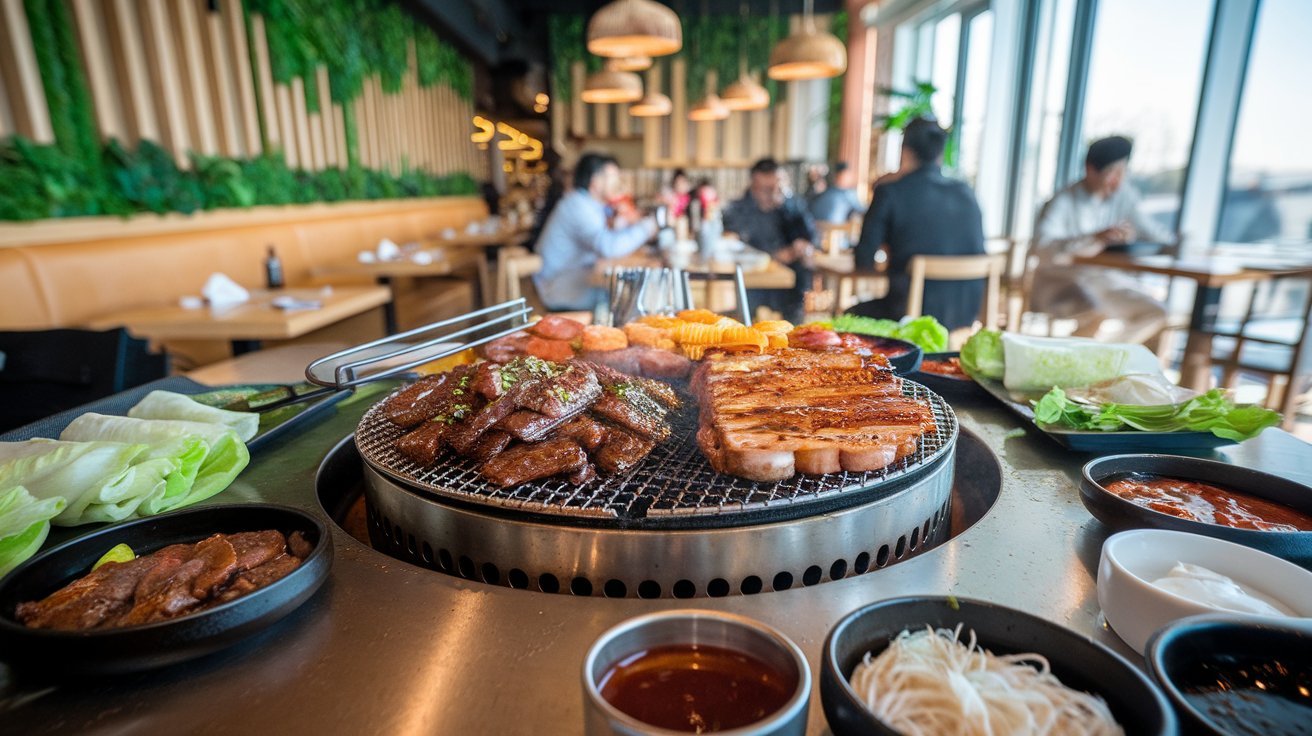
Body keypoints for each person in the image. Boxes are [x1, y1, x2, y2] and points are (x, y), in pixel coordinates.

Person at [1032, 135, 1172, 344]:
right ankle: (1084, 358)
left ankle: (1104, 359)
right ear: (1090, 170)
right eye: (1112, 173)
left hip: (1104, 279)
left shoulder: (1124, 196)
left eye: (1122, 172)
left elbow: (1155, 233)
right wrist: (1093, 238)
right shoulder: (1063, 201)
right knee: (1098, 311)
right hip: (1063, 280)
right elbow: (1041, 248)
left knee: (1157, 312)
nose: (1118, 180)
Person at [850, 118, 986, 330]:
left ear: (905, 152)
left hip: (909, 317)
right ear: (940, 154)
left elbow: (863, 259)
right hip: (965, 316)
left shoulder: (890, 192)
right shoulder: (966, 192)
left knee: (850, 317)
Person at [533, 153, 656, 311]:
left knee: (625, 294)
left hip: (573, 278)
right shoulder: (577, 205)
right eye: (613, 177)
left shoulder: (590, 205)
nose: (618, 182)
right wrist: (648, 227)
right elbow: (609, 247)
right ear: (595, 181)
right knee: (623, 298)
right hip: (557, 287)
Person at [723, 158, 817, 324]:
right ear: (753, 186)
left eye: (778, 188)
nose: (773, 194)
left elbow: (811, 238)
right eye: (766, 190)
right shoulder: (737, 211)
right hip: (754, 287)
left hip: (791, 288)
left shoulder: (792, 206)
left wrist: (802, 248)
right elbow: (732, 247)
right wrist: (774, 256)